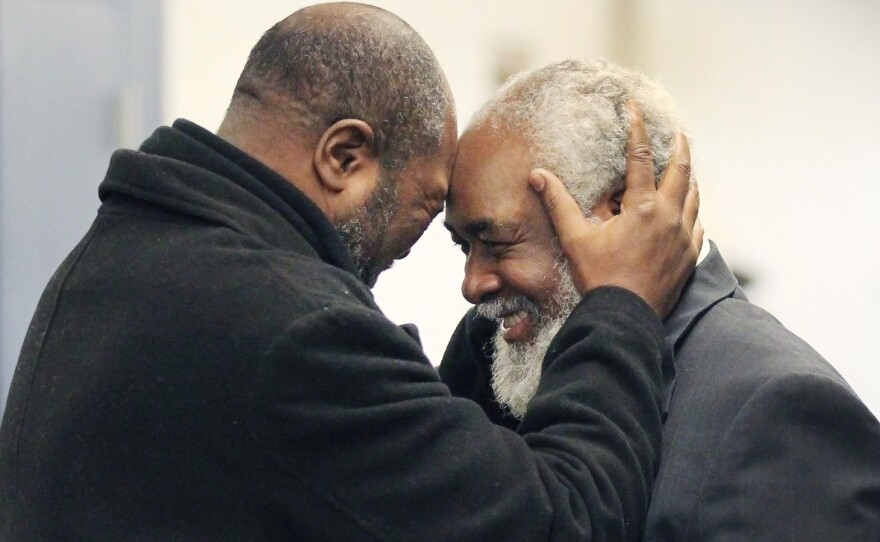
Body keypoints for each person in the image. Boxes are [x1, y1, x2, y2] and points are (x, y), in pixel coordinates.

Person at [0, 4, 702, 541]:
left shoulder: (116, 265)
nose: (410, 257)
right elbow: (564, 521)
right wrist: (618, 302)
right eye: (428, 216)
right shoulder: (294, 331)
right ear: (344, 157)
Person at [441, 58, 880, 541]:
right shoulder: (493, 367)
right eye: (464, 246)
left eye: (497, 243)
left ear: (623, 211)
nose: (472, 283)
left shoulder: (779, 409)